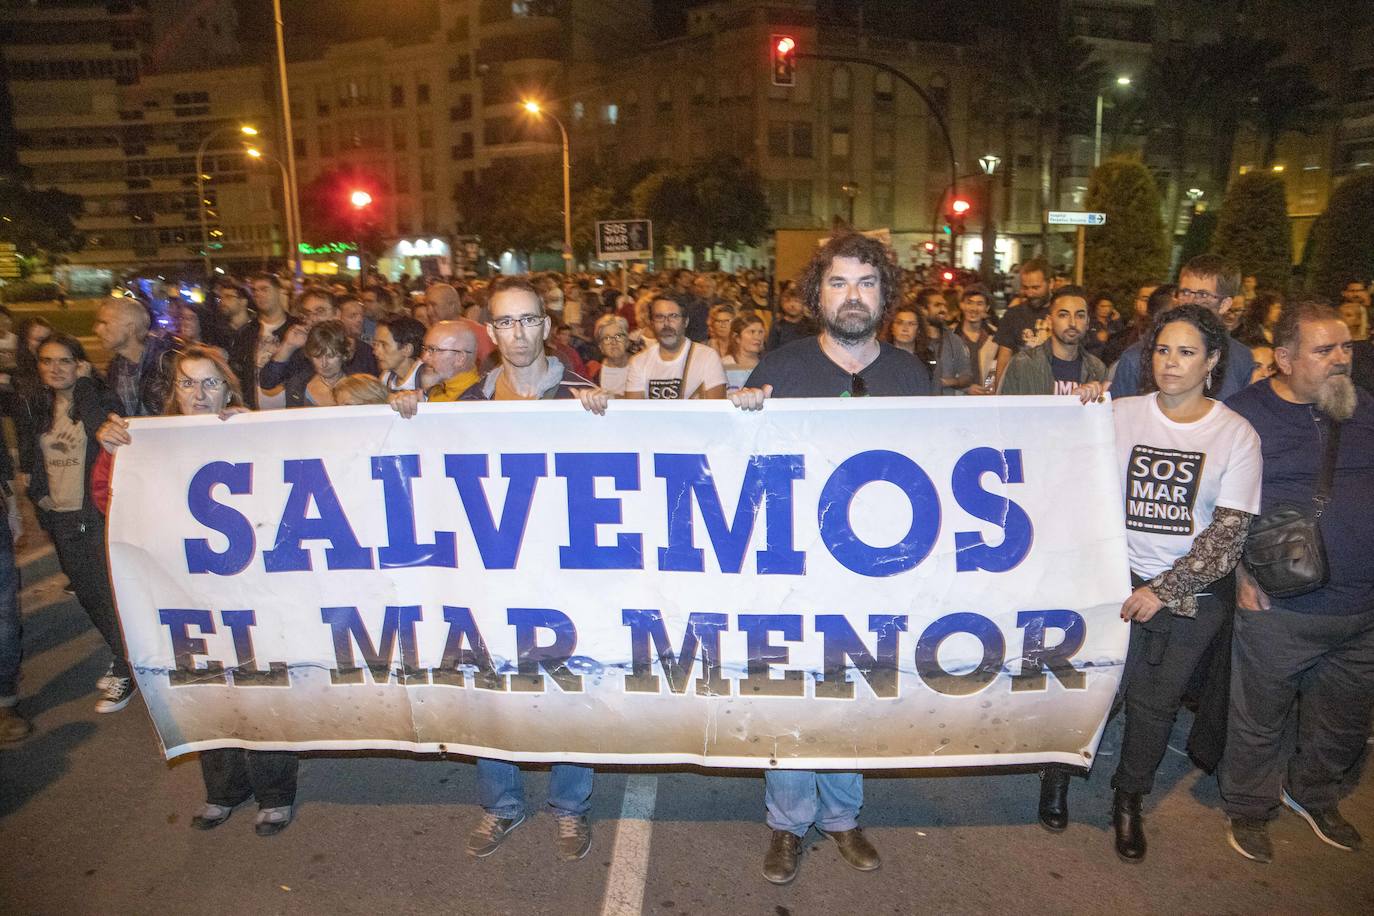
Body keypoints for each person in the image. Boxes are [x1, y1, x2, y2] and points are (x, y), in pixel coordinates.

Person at [729, 232, 933, 885]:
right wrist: (738, 416)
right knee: (793, 697)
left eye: (867, 283)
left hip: (874, 577)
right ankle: (788, 823)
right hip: (793, 576)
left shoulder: (908, 375)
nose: (853, 296)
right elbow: (734, 473)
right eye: (839, 282)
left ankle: (843, 816)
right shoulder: (780, 371)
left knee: (851, 697)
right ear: (817, 294)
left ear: (885, 294)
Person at [390, 276, 597, 862]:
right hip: (489, 579)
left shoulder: (582, 397)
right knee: (490, 688)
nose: (518, 333)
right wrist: (408, 414)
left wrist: (607, 417)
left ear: (547, 327)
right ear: (491, 332)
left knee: (566, 688)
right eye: (505, 322)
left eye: (528, 320)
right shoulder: (464, 407)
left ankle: (570, 806)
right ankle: (501, 804)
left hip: (567, 578)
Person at [1067, 305, 1261, 862]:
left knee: (1156, 704)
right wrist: (1076, 406)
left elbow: (1228, 534)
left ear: (1212, 361)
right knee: (1094, 688)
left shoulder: (1235, 435)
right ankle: (1057, 778)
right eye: (1161, 350)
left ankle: (1128, 800)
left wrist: (1163, 589)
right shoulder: (1117, 410)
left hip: (1189, 595)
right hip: (1110, 580)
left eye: (1186, 352)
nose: (1170, 363)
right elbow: (1059, 456)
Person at [94, 346, 300, 836]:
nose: (199, 394)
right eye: (188, 383)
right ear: (174, 392)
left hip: (251, 590)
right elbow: (110, 503)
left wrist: (259, 435)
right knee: (204, 686)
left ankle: (274, 793)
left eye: (211, 383)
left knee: (258, 682)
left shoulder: (253, 433)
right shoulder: (145, 441)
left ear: (228, 389)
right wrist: (109, 453)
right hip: (183, 591)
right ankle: (224, 789)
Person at [1219, 299, 1374, 863]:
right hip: (1280, 606)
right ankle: (1249, 806)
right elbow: (1215, 504)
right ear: (1284, 358)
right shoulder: (1242, 416)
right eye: (1325, 349)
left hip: (1362, 611)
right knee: (1259, 718)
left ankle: (1314, 794)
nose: (1341, 360)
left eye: (1346, 348)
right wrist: (1239, 573)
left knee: (1344, 720)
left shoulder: (1365, 410)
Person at [17, 335, 132, 712]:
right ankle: (123, 657)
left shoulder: (98, 399)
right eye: (47, 361)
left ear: (80, 364)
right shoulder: (37, 406)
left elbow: (103, 430)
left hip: (94, 517)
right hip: (59, 518)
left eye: (65, 361)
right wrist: (38, 496)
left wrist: (83, 385)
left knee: (105, 596)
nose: (55, 368)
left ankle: (126, 668)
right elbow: (33, 460)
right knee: (87, 595)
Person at [1111, 256, 1254, 399]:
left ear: (1225, 304)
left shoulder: (1240, 359)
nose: (1190, 301)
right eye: (1185, 292)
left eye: (1202, 295)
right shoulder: (1137, 358)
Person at [1000, 286, 1107, 395]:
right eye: (1063, 315)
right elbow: (1004, 410)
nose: (1072, 323)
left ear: (1087, 322)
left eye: (1080, 315)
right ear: (1049, 321)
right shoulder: (1023, 364)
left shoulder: (1097, 370)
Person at [623, 297, 727, 400]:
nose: (666, 324)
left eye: (673, 316)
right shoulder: (639, 362)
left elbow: (715, 410)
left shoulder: (707, 357)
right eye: (659, 317)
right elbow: (634, 411)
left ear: (685, 322)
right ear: (652, 323)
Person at [95, 295, 175, 417]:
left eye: (105, 323)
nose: (97, 330)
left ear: (130, 328)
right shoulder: (115, 368)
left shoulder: (168, 363)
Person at [992, 258, 1052, 389]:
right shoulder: (1013, 315)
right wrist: (998, 394)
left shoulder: (1060, 314)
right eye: (1025, 288)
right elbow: (1003, 359)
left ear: (1050, 283)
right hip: (1021, 389)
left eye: (1036, 287)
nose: (1030, 293)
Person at [285, 320, 352, 408]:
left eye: (330, 356)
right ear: (309, 356)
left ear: (344, 355)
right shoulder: (296, 386)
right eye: (317, 356)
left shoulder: (362, 385)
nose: (324, 364)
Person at [952, 286, 999, 395]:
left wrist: (994, 385)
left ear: (987, 308)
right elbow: (943, 372)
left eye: (979, 304)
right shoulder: (950, 336)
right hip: (958, 401)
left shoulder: (997, 336)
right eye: (969, 303)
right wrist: (965, 388)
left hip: (988, 399)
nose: (973, 308)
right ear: (962, 305)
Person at [372, 315, 426, 392]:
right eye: (375, 344)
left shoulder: (426, 378)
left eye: (384, 345)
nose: (375, 352)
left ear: (407, 349)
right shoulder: (385, 378)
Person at [764, 287, 818, 351]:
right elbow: (771, 349)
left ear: (803, 304)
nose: (792, 305)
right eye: (787, 301)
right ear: (782, 304)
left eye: (797, 301)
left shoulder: (811, 324)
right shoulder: (777, 325)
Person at [722, 314, 767, 391]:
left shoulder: (769, 364)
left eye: (760, 332)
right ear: (737, 338)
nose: (757, 337)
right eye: (752, 332)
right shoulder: (723, 365)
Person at [591, 314, 632, 396]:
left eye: (618, 336)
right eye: (607, 338)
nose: (614, 342)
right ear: (601, 347)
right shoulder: (594, 371)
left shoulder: (640, 366)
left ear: (627, 341)